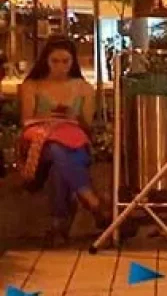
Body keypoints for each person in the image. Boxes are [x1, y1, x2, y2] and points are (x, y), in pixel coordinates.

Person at [17, 38, 115, 244]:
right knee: (55, 148)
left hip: (74, 139)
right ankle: (92, 202)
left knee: (59, 164)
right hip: (40, 142)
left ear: (73, 62)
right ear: (45, 61)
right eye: (55, 61)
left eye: (65, 61)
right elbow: (26, 120)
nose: (60, 67)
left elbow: (87, 125)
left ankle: (58, 224)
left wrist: (73, 116)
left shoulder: (83, 88)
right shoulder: (32, 86)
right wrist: (49, 117)